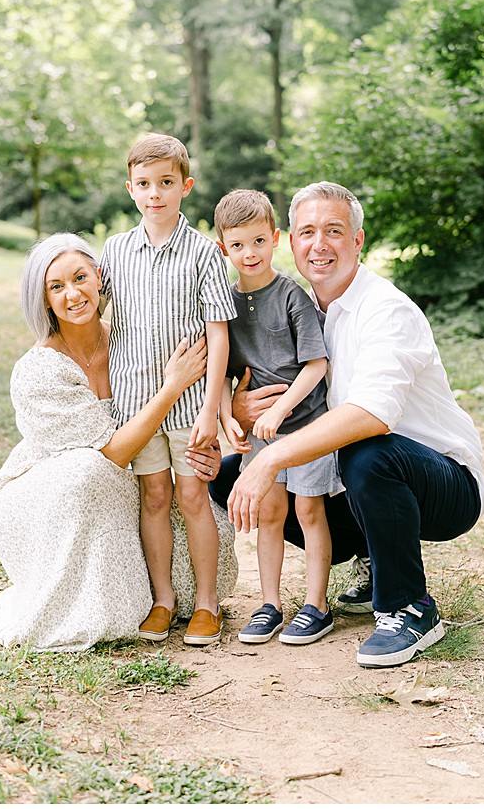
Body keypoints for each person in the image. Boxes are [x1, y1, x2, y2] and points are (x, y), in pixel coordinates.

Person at [215, 182, 484, 671]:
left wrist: (275, 454)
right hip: (352, 483)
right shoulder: (297, 307)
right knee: (228, 474)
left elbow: (373, 414)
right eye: (308, 232)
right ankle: (373, 558)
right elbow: (260, 379)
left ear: (358, 241)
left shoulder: (385, 309)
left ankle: (409, 606)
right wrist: (239, 409)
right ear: (291, 242)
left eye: (334, 231)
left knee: (368, 453)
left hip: (442, 483)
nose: (320, 245)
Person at [0, 234, 225, 650]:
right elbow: (111, 454)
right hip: (50, 492)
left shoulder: (132, 342)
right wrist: (172, 386)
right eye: (57, 287)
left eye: (80, 277)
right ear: (44, 301)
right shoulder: (39, 370)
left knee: (207, 530)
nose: (73, 294)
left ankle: (197, 602)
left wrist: (203, 448)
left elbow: (185, 413)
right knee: (91, 471)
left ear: (100, 279)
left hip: (132, 485)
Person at [101, 132, 235, 646]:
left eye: (165, 183)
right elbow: (97, 316)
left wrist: (210, 411)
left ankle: (207, 604)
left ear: (185, 186)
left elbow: (219, 332)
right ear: (130, 189)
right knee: (153, 497)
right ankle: (163, 599)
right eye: (143, 184)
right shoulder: (115, 251)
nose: (154, 193)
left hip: (188, 405)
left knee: (192, 495)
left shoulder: (203, 253)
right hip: (135, 403)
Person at [211, 188, 337, 647]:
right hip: (259, 433)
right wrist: (227, 417)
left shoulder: (291, 296)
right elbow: (220, 372)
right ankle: (269, 604)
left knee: (308, 509)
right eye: (239, 245)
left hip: (305, 424)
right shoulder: (222, 302)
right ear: (224, 247)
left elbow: (316, 365)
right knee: (269, 513)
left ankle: (316, 605)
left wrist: (282, 408)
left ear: (276, 239)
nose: (250, 253)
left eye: (259, 242)